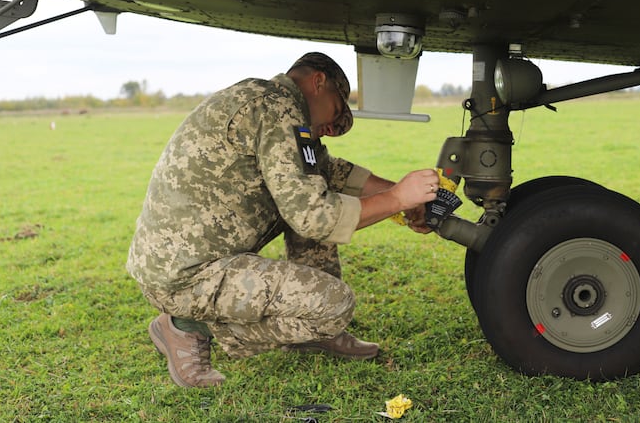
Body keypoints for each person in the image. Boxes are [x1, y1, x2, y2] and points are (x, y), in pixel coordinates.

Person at [126, 52, 439, 388]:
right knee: (335, 305)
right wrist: (396, 199)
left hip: (183, 260)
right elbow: (315, 218)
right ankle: (184, 328)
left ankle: (313, 332)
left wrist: (401, 198)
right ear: (319, 82)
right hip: (187, 275)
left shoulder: (272, 103)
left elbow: (326, 172)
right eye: (335, 111)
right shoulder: (277, 109)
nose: (330, 130)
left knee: (314, 195)